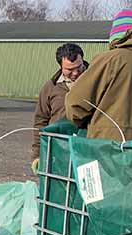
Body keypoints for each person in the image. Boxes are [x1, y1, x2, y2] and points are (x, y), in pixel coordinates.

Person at [65, 10, 132, 144]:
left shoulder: (110, 60)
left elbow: (75, 104)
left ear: (116, 36)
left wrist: (87, 124)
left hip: (108, 150)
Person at [32, 43, 88, 172]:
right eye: (69, 69)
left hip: (85, 149)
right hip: (58, 149)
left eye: (79, 67)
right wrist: (37, 155)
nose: (75, 73)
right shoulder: (51, 87)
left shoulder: (96, 81)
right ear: (60, 66)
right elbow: (40, 121)